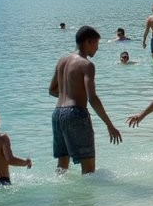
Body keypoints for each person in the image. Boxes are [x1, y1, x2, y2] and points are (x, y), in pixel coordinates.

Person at [49, 25, 122, 174]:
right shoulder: (86, 65)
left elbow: (52, 90)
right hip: (76, 114)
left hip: (57, 114)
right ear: (88, 42)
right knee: (88, 170)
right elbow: (92, 98)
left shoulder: (62, 61)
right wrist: (109, 124)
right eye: (96, 44)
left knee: (62, 165)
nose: (97, 48)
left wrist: (70, 94)